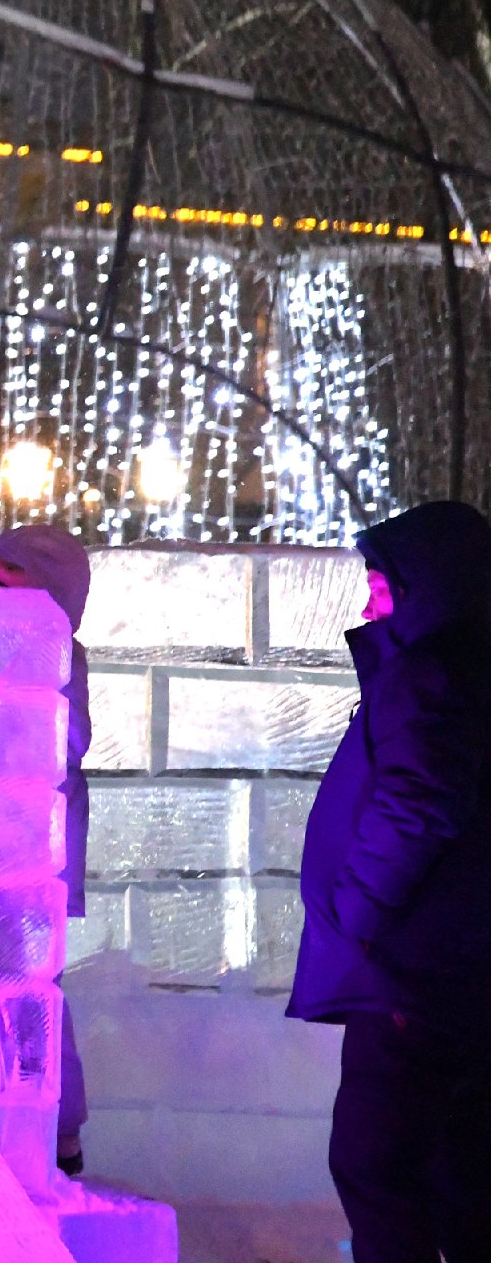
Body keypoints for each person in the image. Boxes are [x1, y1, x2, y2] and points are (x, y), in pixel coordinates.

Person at [287, 500, 491, 1262]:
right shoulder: (460, 661)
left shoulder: (429, 667)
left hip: (409, 967)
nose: (369, 602)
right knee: (454, 1167)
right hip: (446, 964)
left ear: (431, 587)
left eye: (383, 585)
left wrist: (357, 915)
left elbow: (419, 801)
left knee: (375, 1163)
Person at [0, 524, 95, 1178]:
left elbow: (50, 756)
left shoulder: (54, 661)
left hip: (19, 868)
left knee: (28, 997)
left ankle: (54, 1142)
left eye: (7, 586)